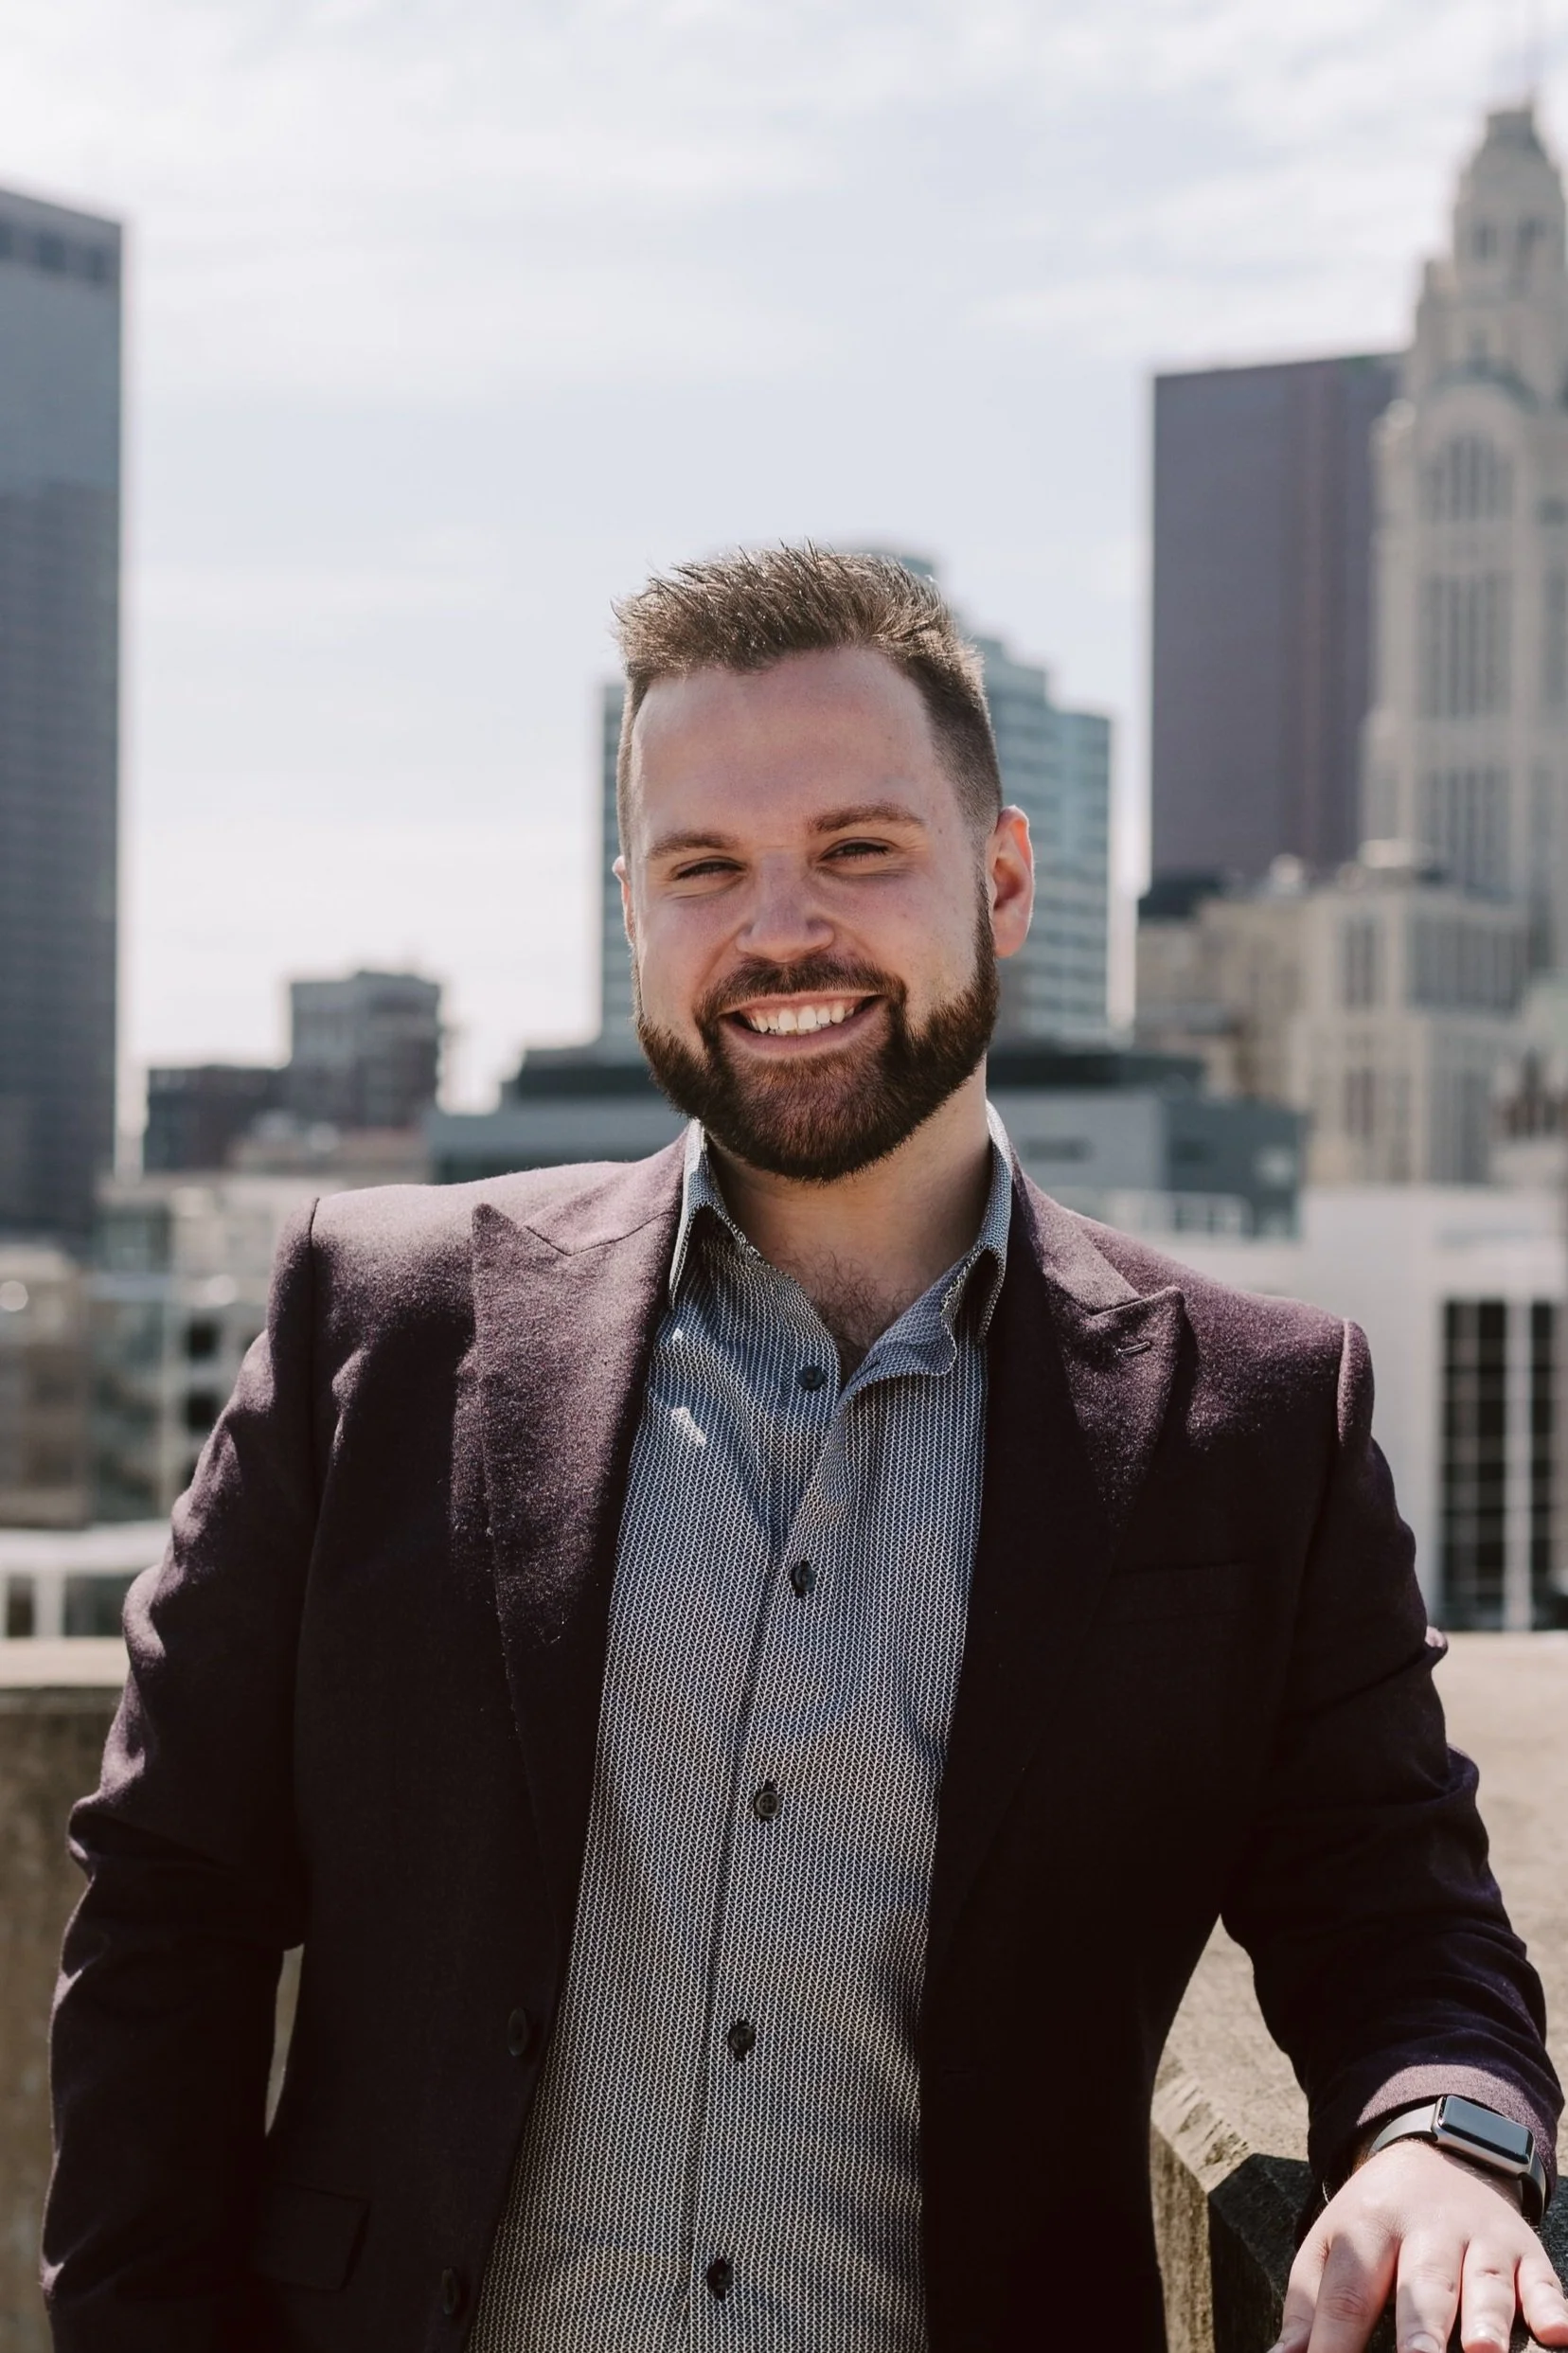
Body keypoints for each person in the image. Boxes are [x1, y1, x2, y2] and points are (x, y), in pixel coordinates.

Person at [45, 548, 1565, 2353]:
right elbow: (172, 1911)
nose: (780, 931)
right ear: (635, 909)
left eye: (857, 848)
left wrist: (1443, 2147)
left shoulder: (1253, 1420)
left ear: (1003, 879)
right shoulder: (374, 1323)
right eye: (705, 867)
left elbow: (1400, 1920)